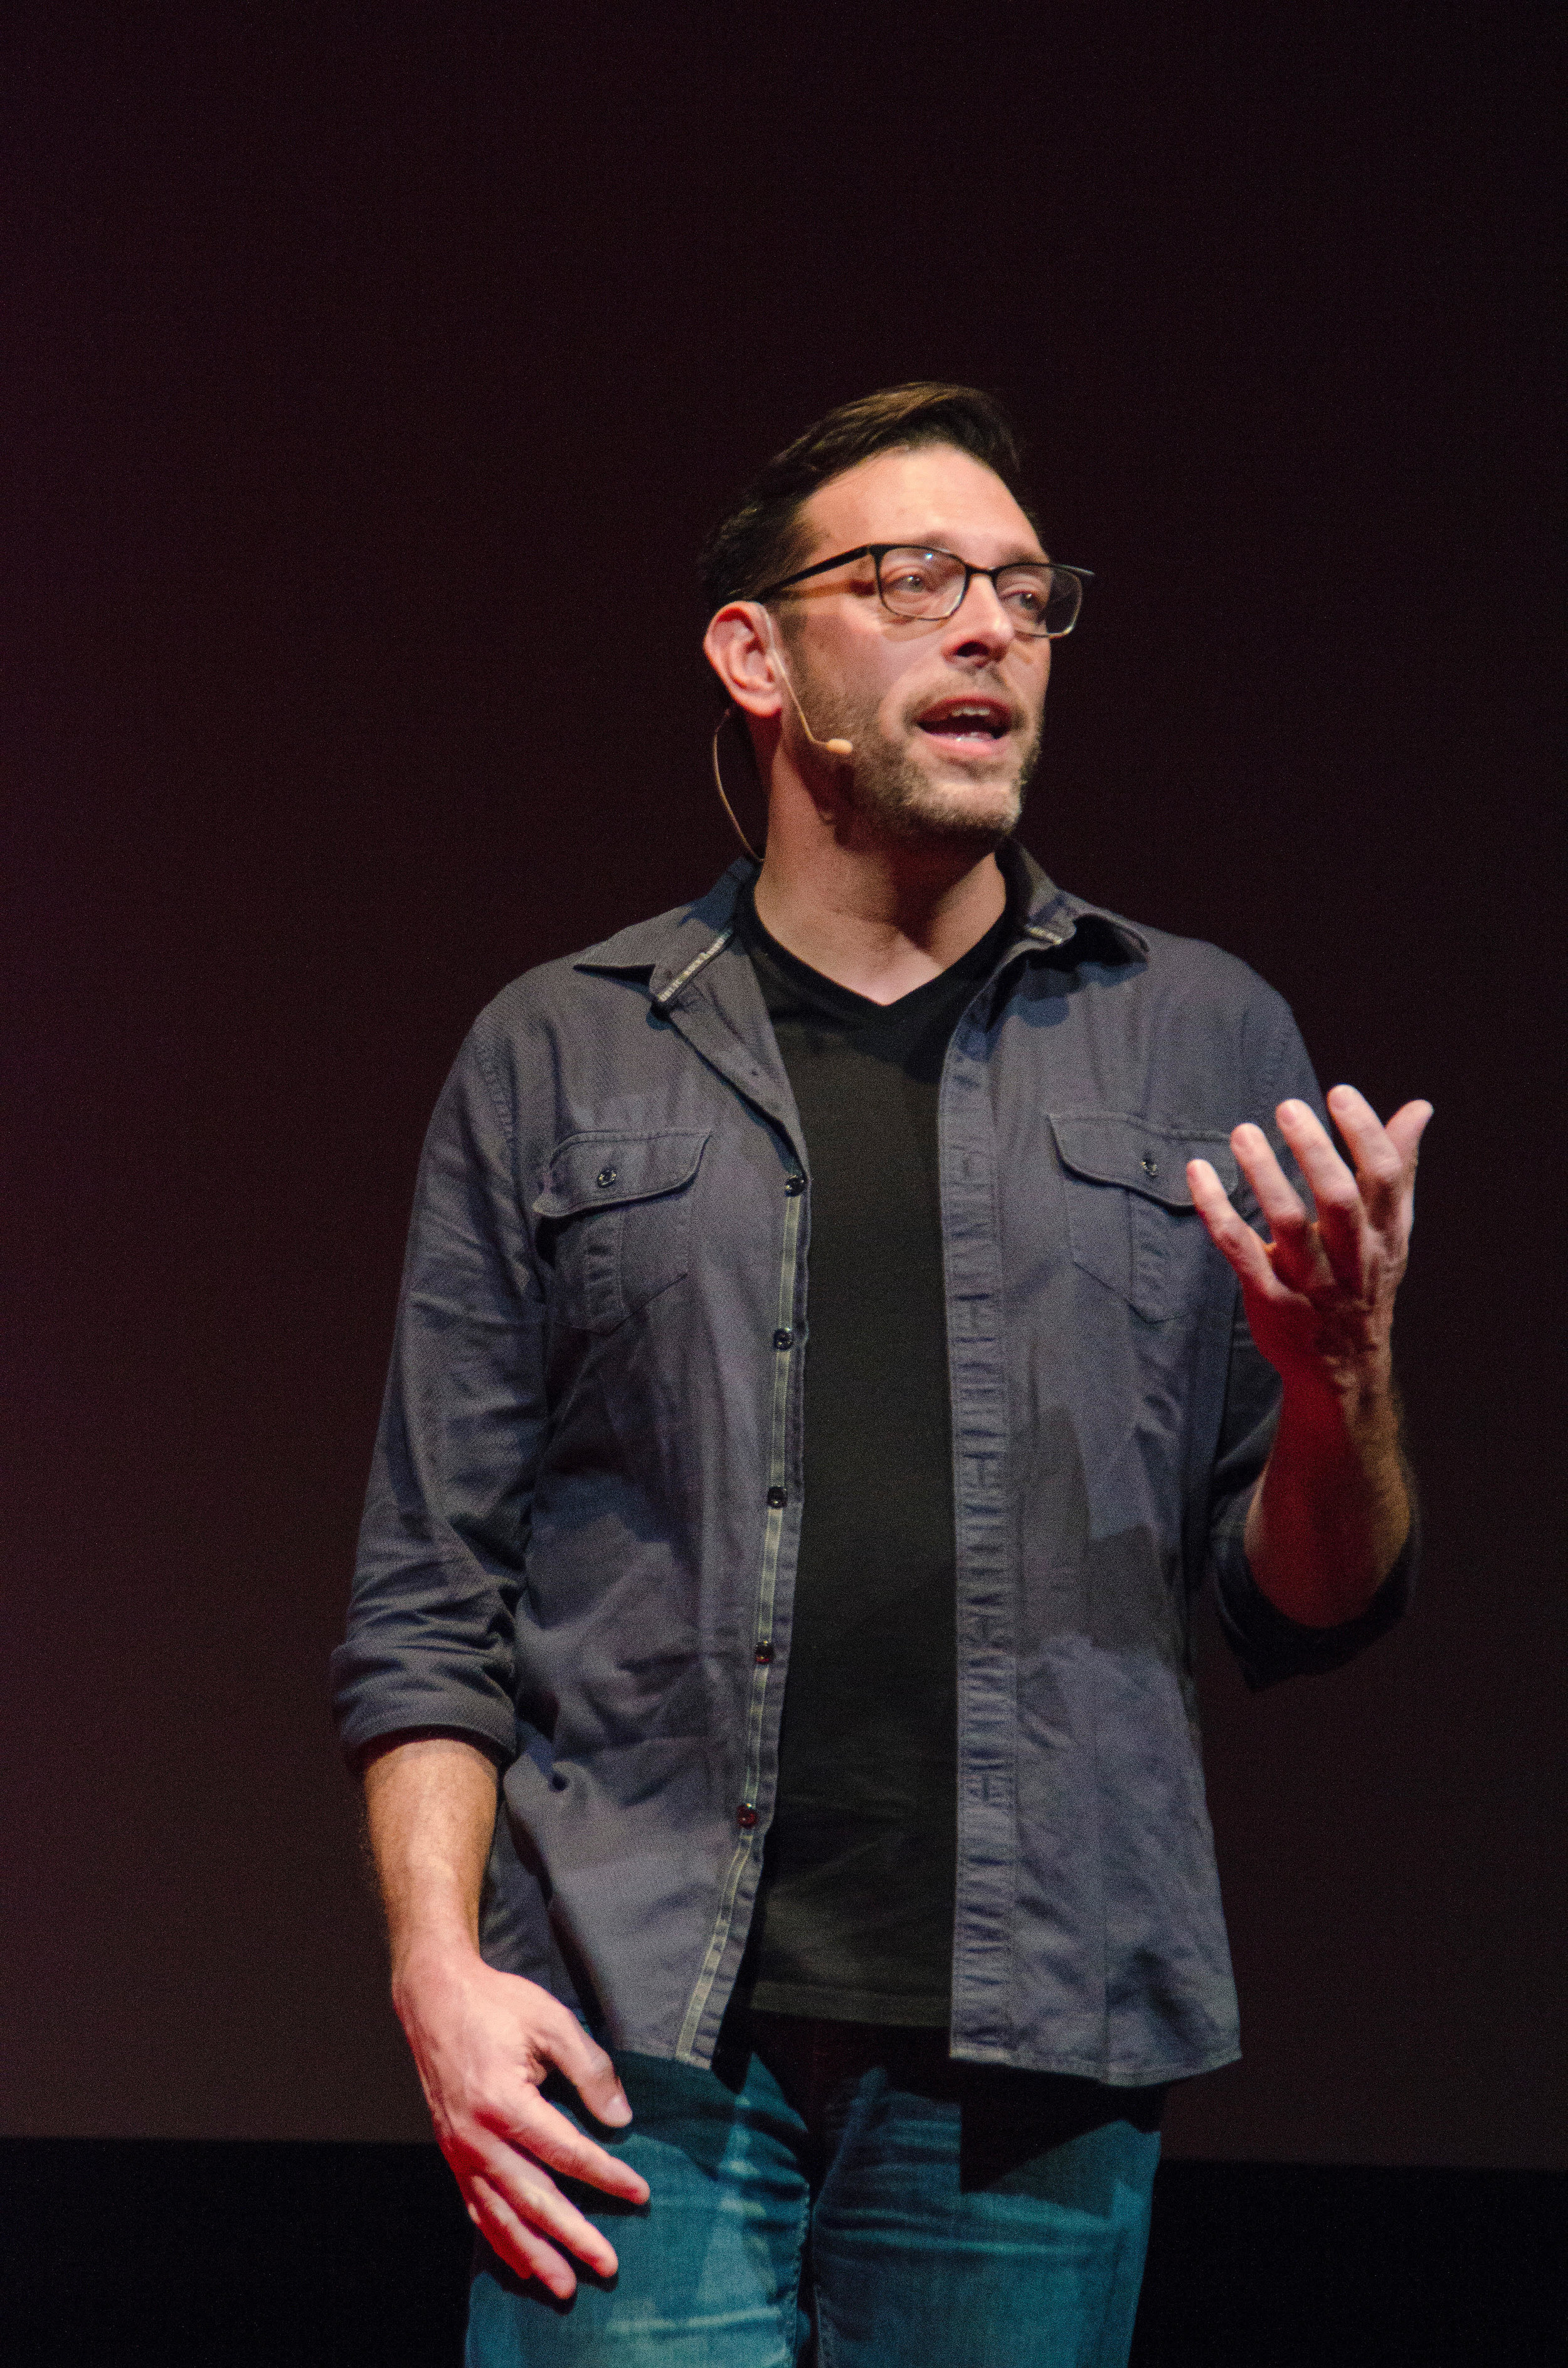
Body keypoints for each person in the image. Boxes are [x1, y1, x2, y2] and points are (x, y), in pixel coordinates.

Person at [332, 383, 1428, 2366]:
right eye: (911, 578)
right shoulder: (560, 1051)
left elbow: (1304, 1601)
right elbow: (431, 1607)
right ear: (756, 654)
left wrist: (1338, 1370)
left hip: (1039, 2050)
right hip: (623, 2036)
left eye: (1024, 591)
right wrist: (435, 1971)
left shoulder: (1196, 1035)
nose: (989, 627)